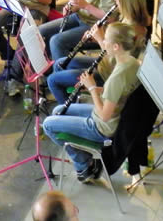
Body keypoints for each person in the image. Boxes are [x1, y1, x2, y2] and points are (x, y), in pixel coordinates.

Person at [42, 22, 142, 182]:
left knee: (48, 124)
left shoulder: (118, 76)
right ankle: (86, 160)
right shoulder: (132, 62)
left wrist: (92, 88)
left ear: (116, 46)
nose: (103, 43)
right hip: (114, 115)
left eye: (106, 40)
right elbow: (119, 94)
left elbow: (104, 116)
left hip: (103, 127)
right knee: (57, 111)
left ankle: (84, 164)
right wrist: (97, 89)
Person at [47, 0, 149, 103]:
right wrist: (97, 38)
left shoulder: (132, 30)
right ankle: (72, 98)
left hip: (108, 74)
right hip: (104, 65)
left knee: (52, 80)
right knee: (59, 63)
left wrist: (101, 39)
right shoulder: (127, 19)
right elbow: (115, 47)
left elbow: (115, 63)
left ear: (126, 1)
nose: (115, 0)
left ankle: (69, 108)